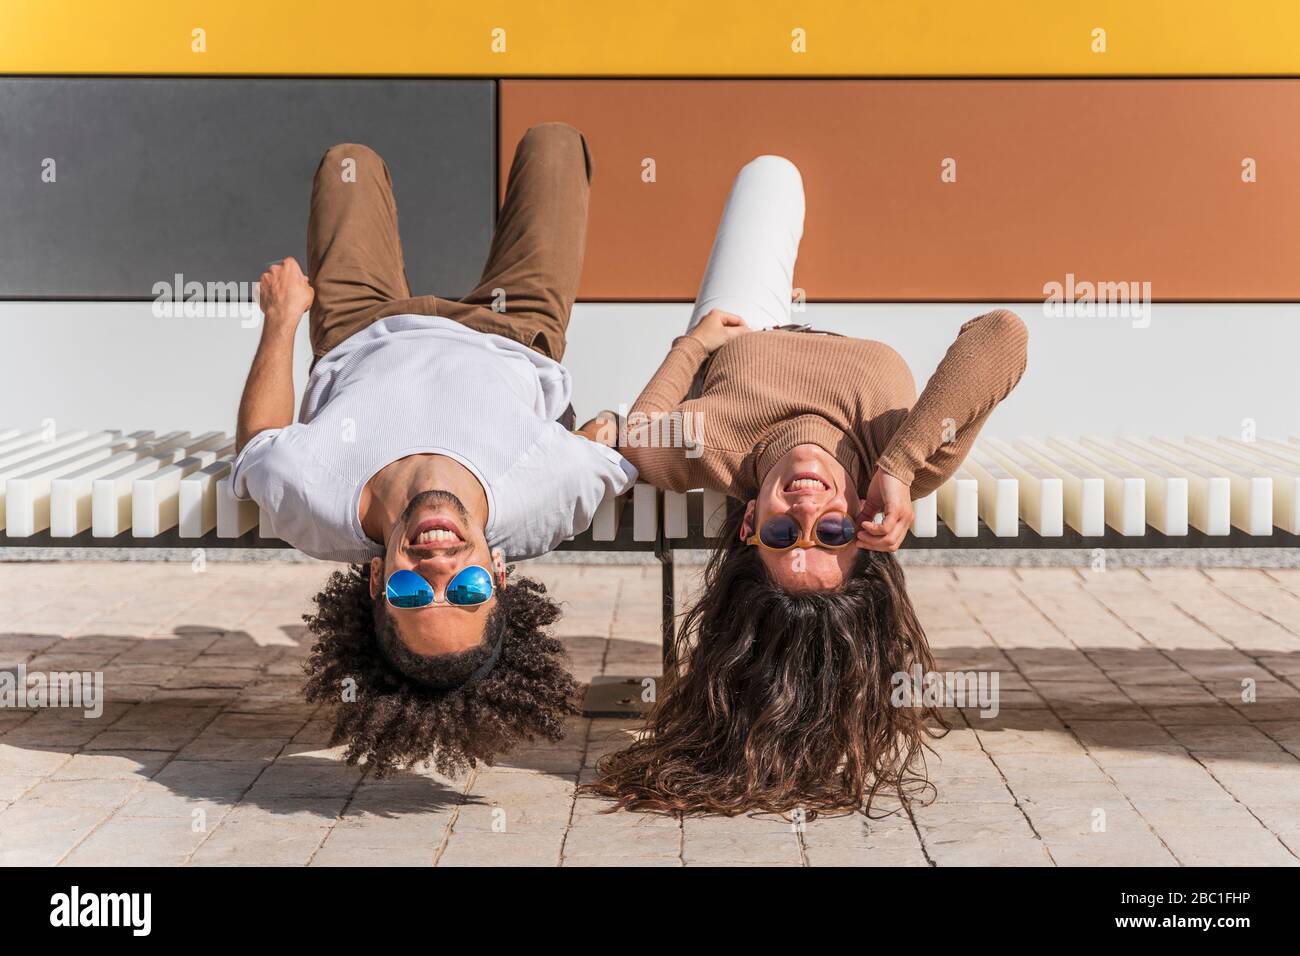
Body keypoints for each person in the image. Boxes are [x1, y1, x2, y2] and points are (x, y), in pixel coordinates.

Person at [585, 155, 1028, 816]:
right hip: (859, 390)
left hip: (749, 324)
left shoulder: (708, 447)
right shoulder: (900, 461)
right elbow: (1001, 334)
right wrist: (901, 468)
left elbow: (639, 428)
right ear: (863, 526)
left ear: (747, 524)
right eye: (832, 532)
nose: (806, 507)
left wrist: (695, 344)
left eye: (782, 532)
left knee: (771, 170)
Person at [231, 124, 635, 776]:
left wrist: (281, 320)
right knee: (554, 145)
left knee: (348, 161)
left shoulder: (315, 501)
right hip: (514, 327)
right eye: (469, 588)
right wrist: (600, 428)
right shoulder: (546, 499)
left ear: (375, 580)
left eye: (413, 593)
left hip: (361, 326)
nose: (440, 566)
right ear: (500, 576)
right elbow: (606, 443)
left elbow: (258, 446)